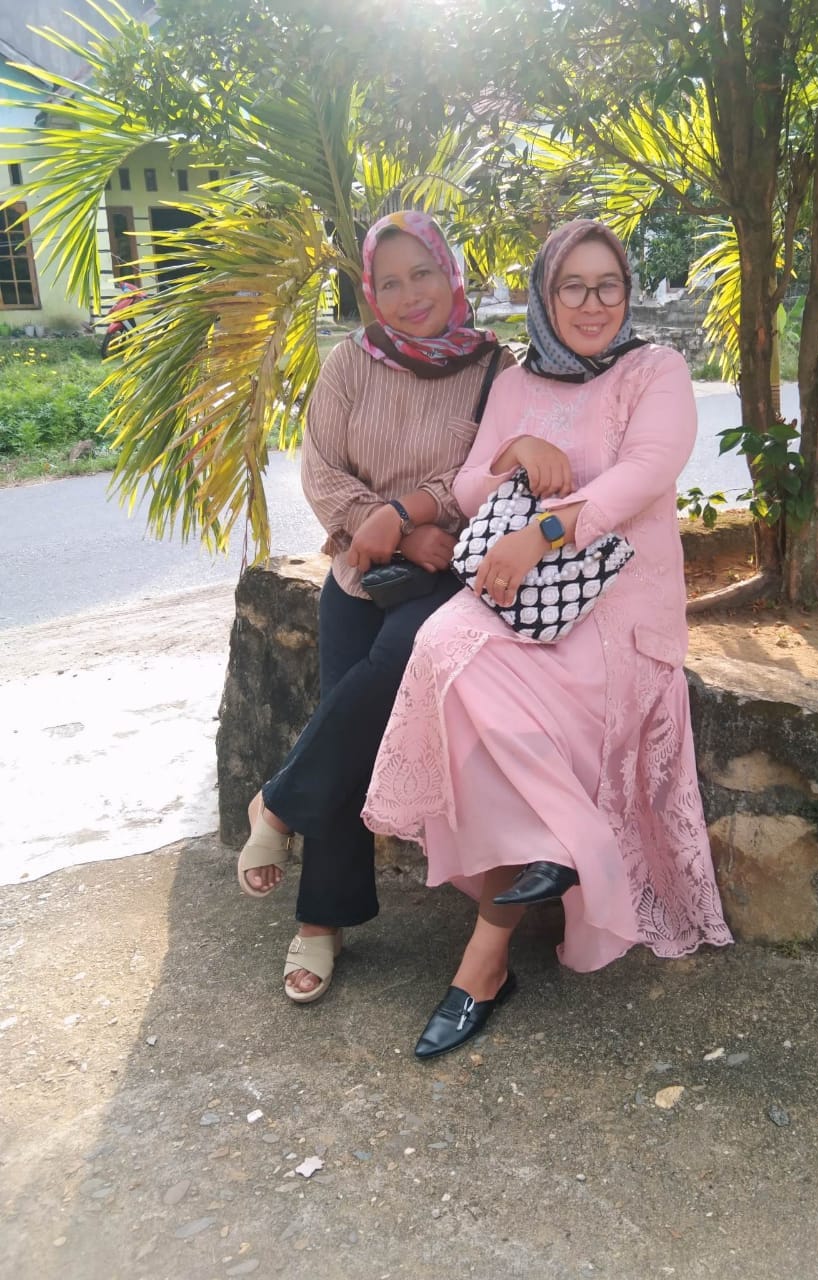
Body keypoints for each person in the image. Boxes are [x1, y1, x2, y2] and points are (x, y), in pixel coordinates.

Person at [362, 219, 733, 1059]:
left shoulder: (655, 370)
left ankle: (484, 962)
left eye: (609, 286)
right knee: (441, 649)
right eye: (574, 287)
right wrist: (517, 452)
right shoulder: (518, 380)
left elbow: (645, 473)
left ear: (627, 293)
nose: (593, 304)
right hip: (523, 597)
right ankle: (565, 846)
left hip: (621, 608)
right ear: (545, 295)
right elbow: (469, 485)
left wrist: (546, 531)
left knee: (526, 712)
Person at [235, 210, 514, 1004]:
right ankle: (320, 923)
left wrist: (418, 515)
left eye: (422, 273)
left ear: (450, 274)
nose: (409, 294)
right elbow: (320, 471)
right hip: (362, 573)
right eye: (389, 282)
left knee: (396, 663)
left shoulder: (493, 366)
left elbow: (486, 473)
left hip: (447, 578)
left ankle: (278, 803)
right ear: (370, 292)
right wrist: (389, 529)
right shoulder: (350, 362)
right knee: (348, 729)